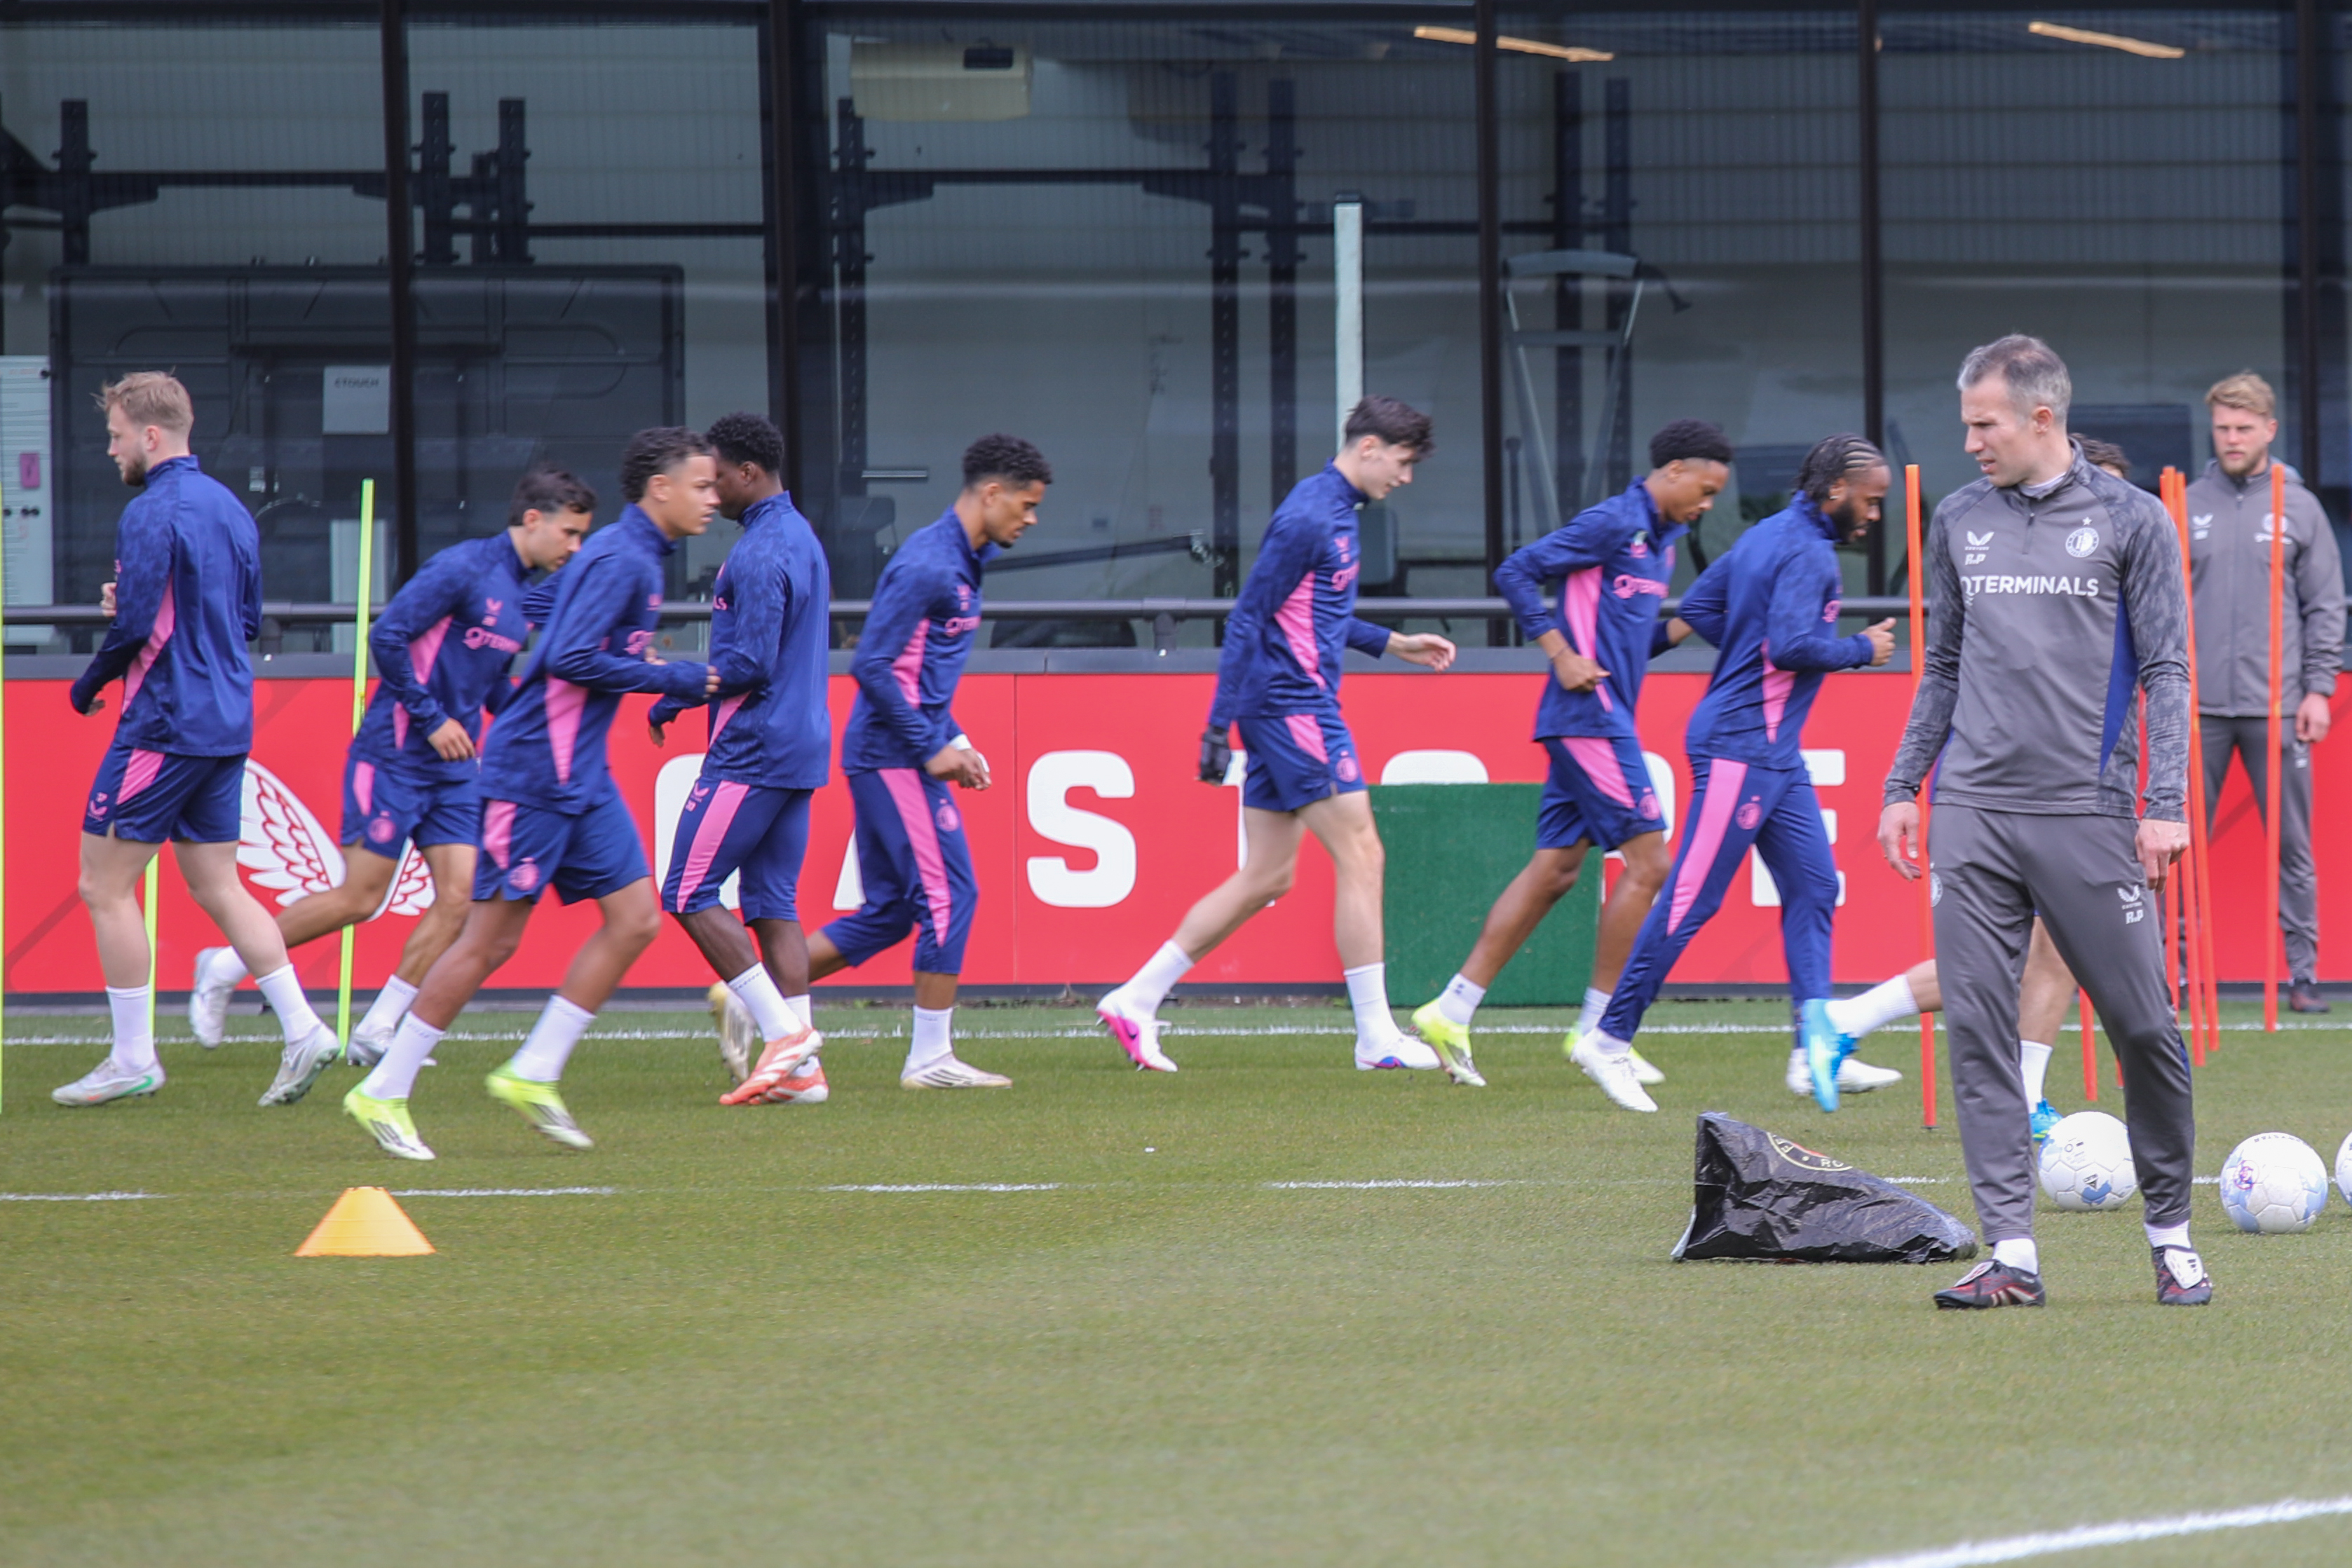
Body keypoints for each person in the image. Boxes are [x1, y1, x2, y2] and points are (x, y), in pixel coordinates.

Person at [1879, 334, 2204, 1310]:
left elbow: (2165, 672)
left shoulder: (2129, 520)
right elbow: (1939, 665)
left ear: (2038, 417)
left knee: (2144, 1027)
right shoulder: (1957, 517)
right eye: (1964, 422)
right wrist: (1903, 784)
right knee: (1976, 1033)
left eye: (1981, 423)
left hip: (2087, 812)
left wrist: (2163, 805)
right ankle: (2010, 1256)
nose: (1968, 440)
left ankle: (2170, 1236)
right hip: (1971, 813)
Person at [341, 428, 721, 1159]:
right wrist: (670, 677)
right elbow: (575, 658)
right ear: (661, 489)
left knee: (638, 918)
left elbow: (567, 645)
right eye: (703, 485)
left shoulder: (629, 556)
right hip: (534, 771)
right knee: (490, 938)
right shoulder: (623, 558)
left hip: (580, 772)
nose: (714, 498)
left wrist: (657, 670)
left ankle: (535, 1068)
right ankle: (383, 1086)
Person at [1096, 396, 1458, 1075]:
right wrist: (1214, 724)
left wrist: (1393, 643)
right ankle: (1376, 1035)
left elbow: (1318, 610)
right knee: (1363, 852)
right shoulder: (1309, 515)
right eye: (1404, 463)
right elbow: (1247, 619)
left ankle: (1134, 998)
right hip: (1292, 706)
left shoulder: (1334, 511)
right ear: (1371, 446)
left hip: (1284, 707)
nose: (1405, 478)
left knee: (1268, 875)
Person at [186, 468, 594, 1063]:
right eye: (570, 532)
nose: (575, 547)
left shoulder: (519, 592)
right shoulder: (462, 568)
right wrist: (432, 719)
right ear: (533, 520)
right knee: (360, 898)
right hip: (395, 754)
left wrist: (528, 723)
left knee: (459, 899)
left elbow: (486, 681)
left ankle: (378, 1029)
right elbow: (389, 636)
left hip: (454, 768)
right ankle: (221, 967)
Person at [1569, 435, 1899, 1113]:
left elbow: (1698, 611)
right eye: (1870, 501)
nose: (1873, 516)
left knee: (1813, 886)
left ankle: (1814, 1050)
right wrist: (1862, 648)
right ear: (1836, 490)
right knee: (1691, 898)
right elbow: (1790, 646)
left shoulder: (1763, 535)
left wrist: (1749, 646)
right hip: (1739, 747)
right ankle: (1607, 1038)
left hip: (1772, 751)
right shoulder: (1808, 553)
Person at [1410, 421, 1729, 1089]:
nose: (1706, 506)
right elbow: (1516, 569)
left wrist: (1694, 620)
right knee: (1650, 863)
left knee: (1555, 872)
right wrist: (1559, 654)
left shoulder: (1662, 543)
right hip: (1588, 719)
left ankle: (1449, 1008)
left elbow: (1631, 645)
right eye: (1703, 490)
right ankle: (1599, 1030)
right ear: (1672, 471)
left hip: (1598, 718)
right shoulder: (1614, 522)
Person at [55, 372, 343, 1108]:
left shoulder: (152, 509)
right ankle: (304, 1026)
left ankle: (132, 1057)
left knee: (103, 884)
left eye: (117, 435)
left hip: (166, 720)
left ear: (150, 436)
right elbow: (241, 620)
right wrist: (145, 609)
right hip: (225, 720)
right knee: (218, 883)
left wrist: (87, 686)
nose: (112, 448)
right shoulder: (231, 508)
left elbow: (134, 626)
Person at [745, 434, 1047, 1097]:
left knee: (889, 912)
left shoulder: (970, 557)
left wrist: (955, 734)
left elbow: (921, 672)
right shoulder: (929, 564)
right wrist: (930, 746)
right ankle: (928, 1058)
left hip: (900, 752)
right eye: (1025, 505)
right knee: (950, 895)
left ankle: (749, 999)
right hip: (893, 757)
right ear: (990, 493)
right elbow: (873, 666)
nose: (1030, 519)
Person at [649, 414, 834, 1106]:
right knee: (772, 905)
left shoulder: (758, 552)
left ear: (748, 474)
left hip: (754, 747)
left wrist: (672, 688)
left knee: (685, 891)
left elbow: (751, 662)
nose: (707, 486)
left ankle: (785, 1037)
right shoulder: (801, 536)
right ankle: (805, 1073)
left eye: (715, 474)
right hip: (801, 745)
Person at [2184, 371, 2344, 1014]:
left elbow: (2326, 605)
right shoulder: (2185, 501)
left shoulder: (2298, 506)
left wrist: (2317, 690)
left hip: (2278, 706)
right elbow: (2160, 607)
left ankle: (2302, 976)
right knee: (2176, 845)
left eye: (2243, 428)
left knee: (2293, 847)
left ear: (2268, 430)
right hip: (2197, 712)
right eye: (2222, 428)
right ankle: (2169, 974)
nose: (2231, 438)